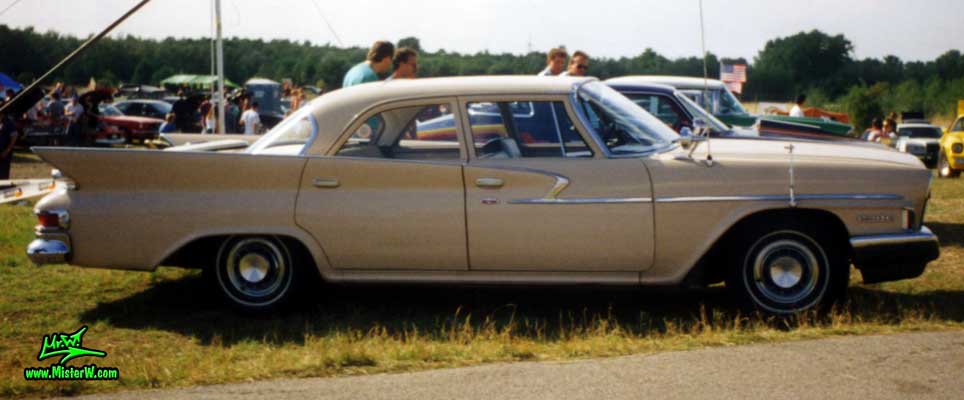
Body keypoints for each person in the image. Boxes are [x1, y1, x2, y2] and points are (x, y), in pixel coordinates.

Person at [0, 102, 17, 180]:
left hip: (4, 152)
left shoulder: (9, 123)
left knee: (3, 173)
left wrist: (7, 150)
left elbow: (14, 137)